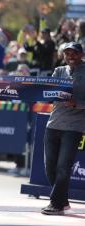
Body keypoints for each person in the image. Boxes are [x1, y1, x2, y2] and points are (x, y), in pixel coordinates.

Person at [41, 42, 85, 215]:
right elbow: (49, 92)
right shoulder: (59, 71)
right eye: (67, 53)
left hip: (74, 127)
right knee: (49, 167)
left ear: (82, 55)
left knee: (63, 167)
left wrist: (78, 104)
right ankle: (63, 201)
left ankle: (56, 205)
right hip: (53, 124)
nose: (70, 56)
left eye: (74, 53)